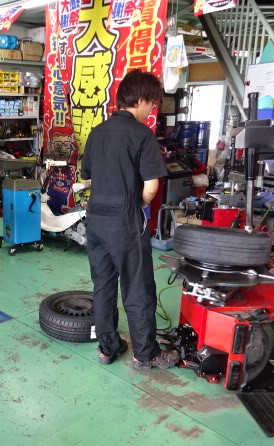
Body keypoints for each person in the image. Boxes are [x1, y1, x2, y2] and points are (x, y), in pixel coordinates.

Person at [81, 69, 179, 370]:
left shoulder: (97, 133)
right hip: (124, 220)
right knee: (137, 287)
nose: (152, 110)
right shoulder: (141, 135)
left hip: (95, 220)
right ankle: (145, 354)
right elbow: (151, 187)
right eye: (152, 103)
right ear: (141, 99)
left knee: (103, 285)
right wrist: (140, 204)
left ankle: (107, 348)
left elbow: (86, 177)